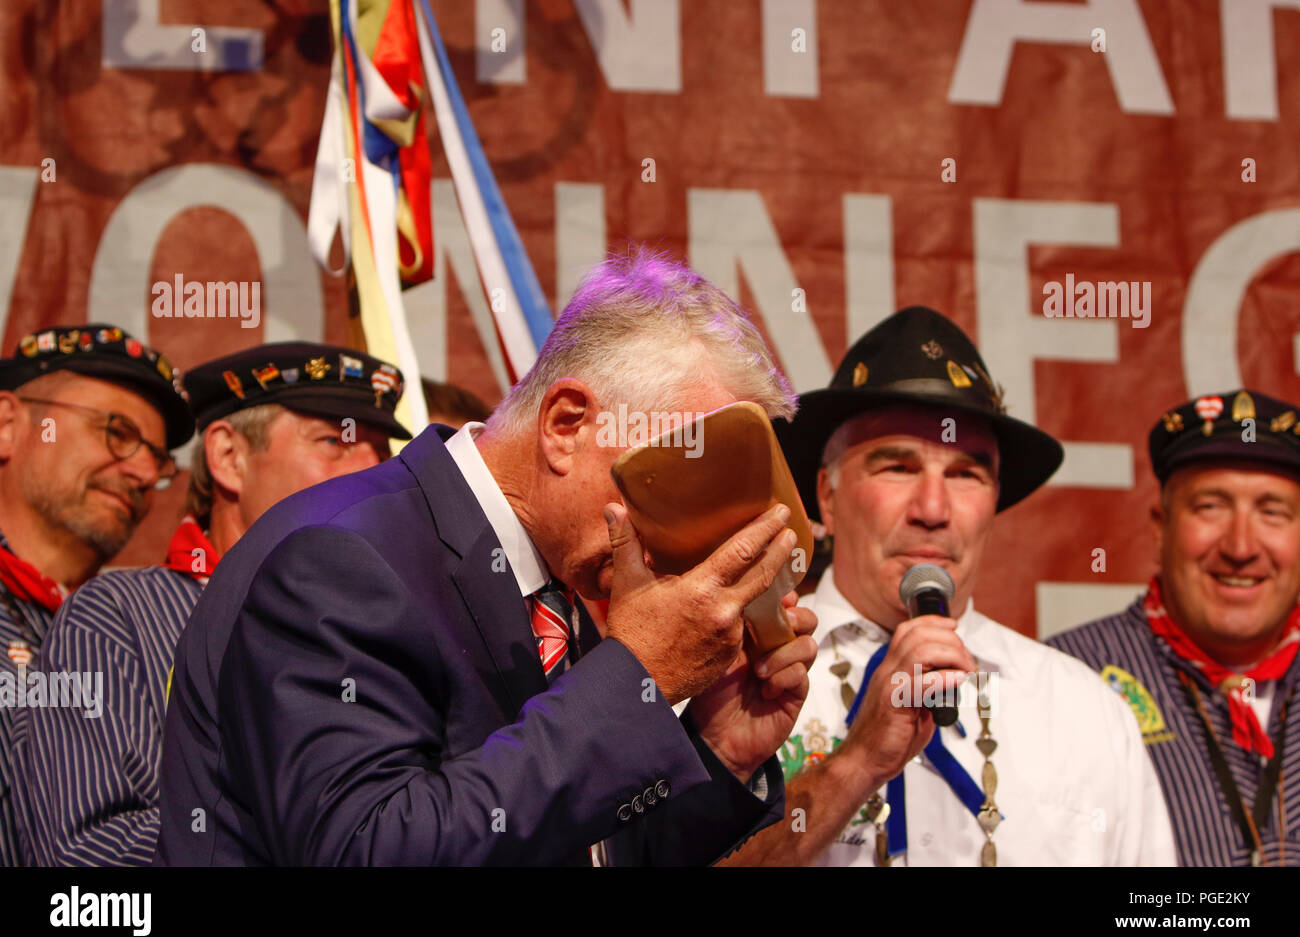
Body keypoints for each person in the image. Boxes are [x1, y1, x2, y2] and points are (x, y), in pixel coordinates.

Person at [153, 250, 819, 866]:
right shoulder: (343, 555)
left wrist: (721, 752)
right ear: (565, 425)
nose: (686, 537)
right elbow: (366, 846)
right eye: (673, 480)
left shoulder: (555, 588)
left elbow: (572, 848)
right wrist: (637, 674)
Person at [722, 306, 1177, 866]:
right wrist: (857, 761)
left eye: (966, 474)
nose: (933, 510)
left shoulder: (1084, 711)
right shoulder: (734, 680)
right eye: (898, 467)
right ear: (828, 496)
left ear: (992, 505)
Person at [14, 342, 411, 865]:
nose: (372, 467)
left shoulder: (400, 633)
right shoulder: (120, 616)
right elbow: (85, 856)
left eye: (382, 452)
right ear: (228, 457)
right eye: (334, 441)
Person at [1050, 390, 1300, 866]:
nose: (1241, 546)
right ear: (1161, 528)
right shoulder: (1063, 681)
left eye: (1272, 512)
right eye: (1211, 506)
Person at [0, 324, 192, 866]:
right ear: (7, 424)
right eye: (117, 431)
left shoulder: (135, 635)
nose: (142, 471)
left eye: (158, 458)